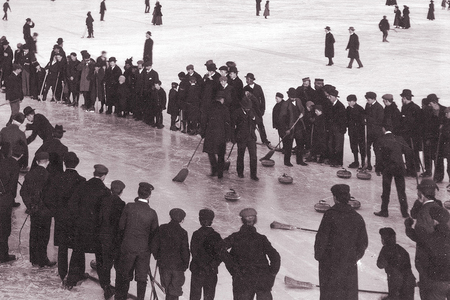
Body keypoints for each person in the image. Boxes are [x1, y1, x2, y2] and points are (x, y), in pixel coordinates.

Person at [314, 184, 368, 300]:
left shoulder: (330, 215)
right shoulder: (357, 217)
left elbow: (321, 239)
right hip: (348, 265)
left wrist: (320, 257)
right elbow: (363, 243)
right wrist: (353, 257)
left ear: (335, 197)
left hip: (329, 266)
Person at [67, 164, 110, 291]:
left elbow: (72, 204)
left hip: (81, 227)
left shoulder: (82, 186)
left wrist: (78, 219)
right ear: (103, 176)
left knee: (77, 252)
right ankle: (106, 287)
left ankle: (71, 280)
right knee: (100, 256)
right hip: (96, 230)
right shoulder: (105, 191)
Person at [220, 208, 280, 299]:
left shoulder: (235, 237)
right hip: (262, 279)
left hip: (241, 279)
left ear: (242, 220)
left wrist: (233, 268)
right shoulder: (261, 238)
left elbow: (219, 249)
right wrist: (271, 274)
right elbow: (275, 256)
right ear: (255, 220)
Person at [114, 182, 159, 300]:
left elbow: (121, 226)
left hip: (128, 247)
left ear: (138, 193)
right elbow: (154, 234)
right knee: (141, 279)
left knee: (124, 275)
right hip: (143, 250)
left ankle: (120, 298)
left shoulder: (129, 206)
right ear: (149, 196)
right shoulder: (152, 213)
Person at [20, 152, 56, 268]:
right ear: (48, 162)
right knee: (44, 235)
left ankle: (34, 259)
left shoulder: (30, 174)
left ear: (36, 162)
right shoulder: (49, 175)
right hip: (45, 211)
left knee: (34, 233)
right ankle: (43, 259)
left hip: (34, 210)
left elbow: (23, 192)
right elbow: (50, 196)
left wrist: (30, 205)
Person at [152, 208, 190, 300]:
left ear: (170, 217)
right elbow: (185, 250)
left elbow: (154, 245)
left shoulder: (162, 228)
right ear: (182, 220)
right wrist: (185, 264)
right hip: (178, 266)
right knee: (175, 291)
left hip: (164, 264)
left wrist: (157, 256)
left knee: (167, 288)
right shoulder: (183, 233)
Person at [374, 127, 411, 218]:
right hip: (399, 167)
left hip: (387, 168)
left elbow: (378, 157)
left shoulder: (381, 140)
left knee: (386, 190)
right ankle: (404, 212)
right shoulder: (399, 139)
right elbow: (408, 151)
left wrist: (378, 169)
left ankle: (384, 211)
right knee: (401, 191)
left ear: (383, 129)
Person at [97, 180, 125, 299]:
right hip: (114, 238)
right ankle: (110, 288)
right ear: (121, 191)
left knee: (105, 261)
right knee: (112, 261)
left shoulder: (104, 200)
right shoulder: (122, 204)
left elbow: (100, 218)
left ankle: (105, 284)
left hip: (103, 234)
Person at [189, 209, 222, 300]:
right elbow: (220, 255)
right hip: (211, 271)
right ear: (211, 221)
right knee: (209, 297)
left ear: (200, 220)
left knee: (194, 297)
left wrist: (202, 265)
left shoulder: (196, 234)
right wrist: (211, 265)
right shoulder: (216, 236)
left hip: (197, 270)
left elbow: (194, 252)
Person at [377, 227, 415, 300]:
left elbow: (379, 264)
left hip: (396, 282)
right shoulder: (402, 250)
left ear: (384, 239)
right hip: (409, 282)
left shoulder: (386, 249)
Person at [0, 144, 22, 263]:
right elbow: (13, 186)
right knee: (4, 229)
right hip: (4, 200)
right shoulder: (12, 165)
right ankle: (3, 255)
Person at [201, 93, 231, 179]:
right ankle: (220, 174)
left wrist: (203, 132)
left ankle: (214, 170)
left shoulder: (209, 108)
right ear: (222, 100)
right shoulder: (225, 109)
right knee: (221, 154)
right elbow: (227, 123)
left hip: (210, 134)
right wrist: (228, 135)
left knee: (211, 152)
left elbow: (204, 120)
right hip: (221, 135)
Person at [231, 96, 259, 180]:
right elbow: (232, 126)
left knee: (253, 157)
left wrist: (254, 117)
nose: (248, 109)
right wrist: (233, 137)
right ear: (243, 106)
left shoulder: (252, 111)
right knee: (240, 155)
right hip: (241, 138)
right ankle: (240, 172)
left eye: (249, 108)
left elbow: (259, 121)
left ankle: (253, 175)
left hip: (251, 137)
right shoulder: (237, 112)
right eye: (246, 108)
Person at [278, 88, 307, 167]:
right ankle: (287, 161)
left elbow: (303, 109)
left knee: (300, 144)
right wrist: (286, 129)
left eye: (294, 96)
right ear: (288, 96)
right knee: (288, 145)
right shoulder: (285, 104)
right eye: (292, 97)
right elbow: (281, 118)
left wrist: (302, 114)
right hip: (289, 127)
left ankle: (299, 160)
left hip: (299, 126)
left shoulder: (298, 101)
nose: (293, 98)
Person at [398, 89, 423, 177]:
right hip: (406, 134)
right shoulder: (404, 107)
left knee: (413, 152)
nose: (402, 100)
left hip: (413, 135)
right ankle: (410, 168)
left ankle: (414, 169)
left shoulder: (415, 108)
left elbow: (417, 122)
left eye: (402, 98)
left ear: (404, 98)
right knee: (408, 152)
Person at [243, 73, 272, 148]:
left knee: (260, 125)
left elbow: (262, 99)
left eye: (248, 79)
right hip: (249, 110)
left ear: (252, 80)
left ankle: (264, 139)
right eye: (246, 79)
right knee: (250, 125)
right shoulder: (245, 88)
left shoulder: (258, 87)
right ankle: (250, 139)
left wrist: (263, 109)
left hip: (258, 110)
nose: (247, 81)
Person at [423, 94, 445, 180]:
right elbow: (428, 125)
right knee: (434, 157)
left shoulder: (444, 110)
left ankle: (440, 176)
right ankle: (437, 176)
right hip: (433, 138)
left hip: (442, 138)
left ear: (435, 102)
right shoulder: (429, 111)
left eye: (430, 103)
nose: (429, 105)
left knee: (440, 158)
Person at [324, 86, 346, 167]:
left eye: (330, 97)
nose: (329, 98)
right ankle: (332, 160)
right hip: (331, 129)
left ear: (335, 97)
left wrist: (341, 130)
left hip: (339, 130)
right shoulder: (330, 105)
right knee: (331, 145)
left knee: (338, 146)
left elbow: (343, 120)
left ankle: (338, 162)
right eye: (328, 96)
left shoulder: (340, 106)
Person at [364, 91, 384, 171]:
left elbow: (379, 120)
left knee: (377, 149)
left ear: (373, 99)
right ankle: (368, 164)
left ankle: (378, 166)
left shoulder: (379, 107)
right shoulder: (368, 105)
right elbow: (365, 114)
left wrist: (368, 119)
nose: (367, 101)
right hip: (369, 131)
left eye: (368, 99)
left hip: (377, 132)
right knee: (367, 148)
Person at [346, 94, 365, 169]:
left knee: (361, 148)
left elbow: (362, 121)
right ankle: (356, 161)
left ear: (354, 101)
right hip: (352, 131)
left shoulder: (360, 109)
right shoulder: (348, 109)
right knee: (353, 147)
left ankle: (363, 163)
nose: (349, 103)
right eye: (348, 101)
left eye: (350, 101)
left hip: (359, 132)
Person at [438, 107, 450, 186]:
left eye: (447, 113)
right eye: (445, 113)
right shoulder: (446, 121)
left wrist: (443, 131)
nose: (446, 114)